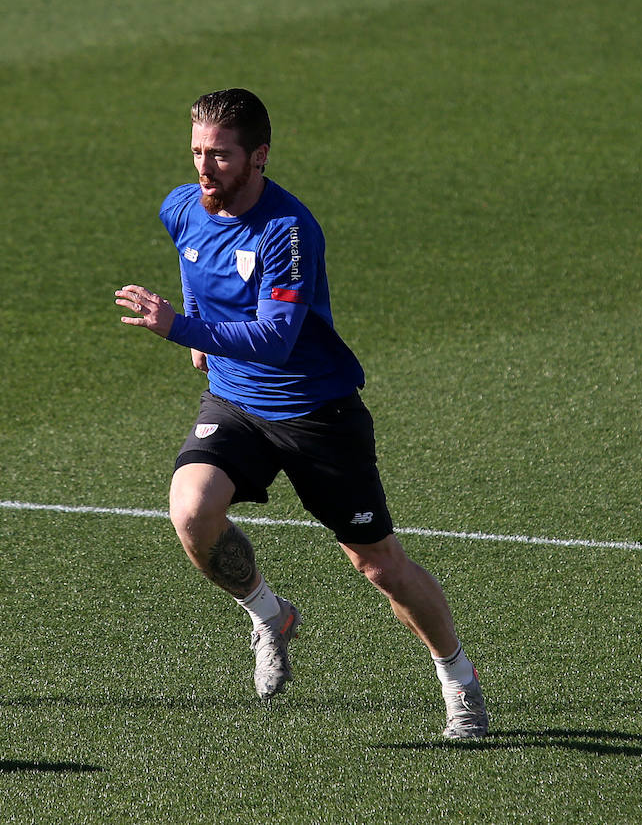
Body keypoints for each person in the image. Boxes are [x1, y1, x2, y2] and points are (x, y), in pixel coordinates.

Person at [113, 88, 488, 739]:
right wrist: (199, 331)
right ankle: (268, 614)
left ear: (258, 157)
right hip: (235, 405)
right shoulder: (180, 207)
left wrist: (182, 330)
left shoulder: (287, 231)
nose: (205, 169)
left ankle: (459, 681)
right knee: (192, 511)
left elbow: (275, 338)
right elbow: (195, 265)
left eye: (222, 156)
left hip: (318, 417)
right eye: (197, 151)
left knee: (381, 568)